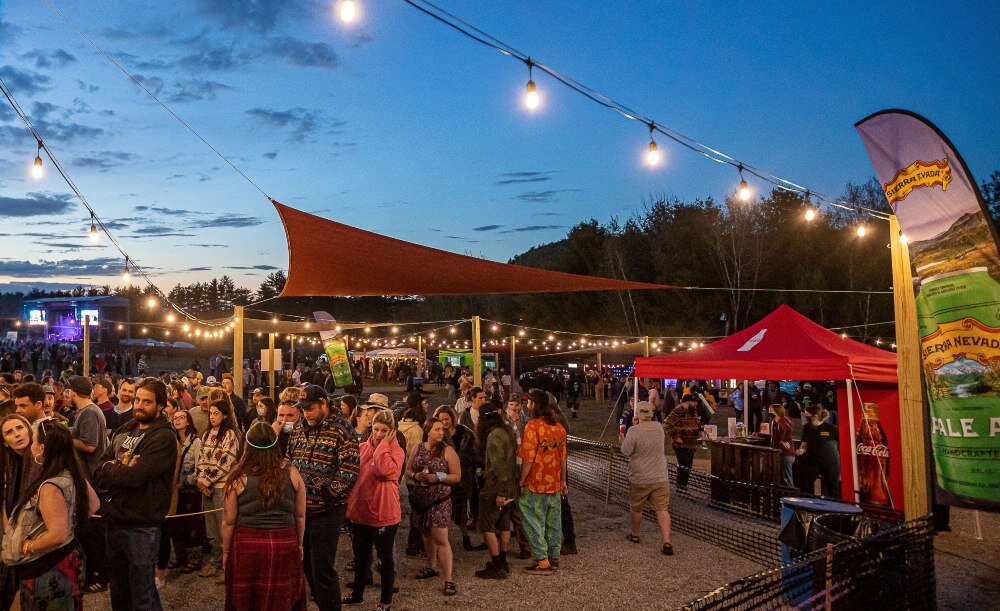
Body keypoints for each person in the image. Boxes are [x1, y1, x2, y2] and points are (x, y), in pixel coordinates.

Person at [95, 378, 179, 611]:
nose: (139, 405)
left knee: (142, 596)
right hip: (115, 521)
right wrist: (116, 467)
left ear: (160, 406)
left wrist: (113, 467)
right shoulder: (125, 429)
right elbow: (98, 471)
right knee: (119, 594)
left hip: (141, 526)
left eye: (147, 402)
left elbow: (134, 477)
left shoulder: (163, 437)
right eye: (137, 400)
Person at [3, 421, 100, 609]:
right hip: (69, 555)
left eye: (34, 440)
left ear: (41, 448)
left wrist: (27, 546)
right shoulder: (70, 472)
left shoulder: (50, 486)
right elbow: (94, 504)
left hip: (50, 566)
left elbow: (58, 534)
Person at [286, 385, 359, 611]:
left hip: (327, 510)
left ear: (324, 404)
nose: (306, 413)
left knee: (323, 567)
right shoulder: (299, 429)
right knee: (305, 563)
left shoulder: (342, 430)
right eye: (303, 409)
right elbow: (290, 456)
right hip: (301, 509)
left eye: (311, 409)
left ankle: (330, 606)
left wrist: (332, 492)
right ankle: (320, 601)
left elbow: (351, 466)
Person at [221, 422, 307, 611]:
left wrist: (226, 552)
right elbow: (300, 516)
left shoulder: (237, 477)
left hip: (247, 546)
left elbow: (229, 521)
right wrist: (298, 544)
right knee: (282, 599)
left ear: (247, 445)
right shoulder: (293, 473)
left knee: (248, 600)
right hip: (285, 544)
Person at [343, 410, 404, 610]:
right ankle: (357, 594)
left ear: (392, 431)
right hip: (360, 514)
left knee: (385, 560)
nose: (378, 434)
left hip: (384, 515)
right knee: (360, 558)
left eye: (384, 431)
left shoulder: (397, 452)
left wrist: (384, 446)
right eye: (376, 429)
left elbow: (383, 470)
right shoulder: (362, 448)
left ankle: (385, 601)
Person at [405, 417, 461, 596]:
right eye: (436, 429)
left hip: (440, 501)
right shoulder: (418, 448)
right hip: (421, 501)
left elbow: (457, 476)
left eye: (442, 429)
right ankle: (432, 566)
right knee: (426, 534)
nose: (440, 432)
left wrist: (438, 477)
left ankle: (449, 579)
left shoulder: (448, 450)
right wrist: (416, 475)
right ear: (427, 430)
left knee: (441, 538)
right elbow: (407, 470)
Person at [517, 389, 567, 575]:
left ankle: (542, 560)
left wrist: (521, 481)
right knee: (554, 521)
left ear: (534, 405)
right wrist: (563, 480)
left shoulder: (532, 427)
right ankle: (554, 556)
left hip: (536, 483)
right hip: (554, 482)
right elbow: (563, 457)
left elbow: (528, 459)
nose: (526, 404)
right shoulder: (558, 427)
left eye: (528, 402)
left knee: (532, 520)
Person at [195, 399, 241, 582]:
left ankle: (226, 566)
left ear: (225, 416)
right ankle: (215, 562)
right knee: (212, 527)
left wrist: (207, 480)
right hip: (205, 487)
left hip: (221, 486)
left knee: (225, 527)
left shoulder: (230, 435)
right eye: (211, 413)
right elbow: (201, 459)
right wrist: (200, 480)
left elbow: (225, 461)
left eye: (216, 414)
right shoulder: (206, 434)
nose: (212, 417)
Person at [621, 401, 673, 555]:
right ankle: (667, 541)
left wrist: (633, 426)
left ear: (637, 414)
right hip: (660, 476)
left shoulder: (633, 431)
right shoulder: (659, 427)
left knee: (636, 508)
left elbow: (625, 451)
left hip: (639, 477)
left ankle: (635, 534)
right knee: (662, 509)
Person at [473, 402, 518, 579]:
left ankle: (497, 564)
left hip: (495, 488)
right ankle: (503, 560)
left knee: (488, 526)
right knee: (504, 524)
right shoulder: (507, 432)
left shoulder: (493, 436)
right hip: (509, 487)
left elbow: (499, 466)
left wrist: (500, 492)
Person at [433, 405, 481, 552]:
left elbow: (473, 455)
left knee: (462, 510)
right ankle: (442, 542)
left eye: (446, 419)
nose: (444, 422)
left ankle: (465, 538)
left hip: (463, 477)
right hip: (444, 478)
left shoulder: (466, 434)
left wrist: (459, 462)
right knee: (444, 509)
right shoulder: (437, 435)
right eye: (441, 420)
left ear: (452, 418)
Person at [0, 414, 33, 609]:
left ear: (28, 429)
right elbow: (3, 503)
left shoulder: (41, 459)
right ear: (4, 442)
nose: (17, 435)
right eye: (9, 432)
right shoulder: (6, 465)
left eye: (20, 428)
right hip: (12, 532)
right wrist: (7, 535)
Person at [169, 409, 204, 575]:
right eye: (175, 418)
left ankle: (194, 559)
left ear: (188, 421)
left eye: (181, 417)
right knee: (177, 524)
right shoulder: (172, 442)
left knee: (192, 525)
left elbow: (200, 468)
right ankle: (179, 556)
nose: (178, 420)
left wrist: (185, 482)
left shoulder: (195, 442)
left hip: (190, 490)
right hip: (175, 492)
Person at [663, 394, 705, 490]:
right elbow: (666, 424)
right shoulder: (677, 411)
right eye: (694, 402)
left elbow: (697, 423)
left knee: (688, 466)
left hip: (691, 444)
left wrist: (701, 430)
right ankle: (681, 488)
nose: (696, 404)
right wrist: (675, 437)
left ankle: (684, 486)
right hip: (680, 444)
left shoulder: (693, 411)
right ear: (688, 402)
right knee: (683, 465)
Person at [797, 406, 840, 497]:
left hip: (830, 461)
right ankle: (808, 506)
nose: (805, 416)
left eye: (807, 414)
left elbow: (841, 443)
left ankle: (834, 508)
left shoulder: (832, 428)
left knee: (832, 487)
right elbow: (804, 443)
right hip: (812, 459)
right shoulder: (807, 427)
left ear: (815, 416)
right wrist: (801, 450)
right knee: (806, 485)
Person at [767, 403, 795, 487]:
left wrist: (783, 440)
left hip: (786, 453)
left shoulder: (782, 420)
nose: (769, 412)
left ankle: (791, 496)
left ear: (776, 411)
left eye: (771, 410)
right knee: (783, 478)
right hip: (780, 453)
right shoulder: (775, 421)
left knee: (787, 478)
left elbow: (788, 429)